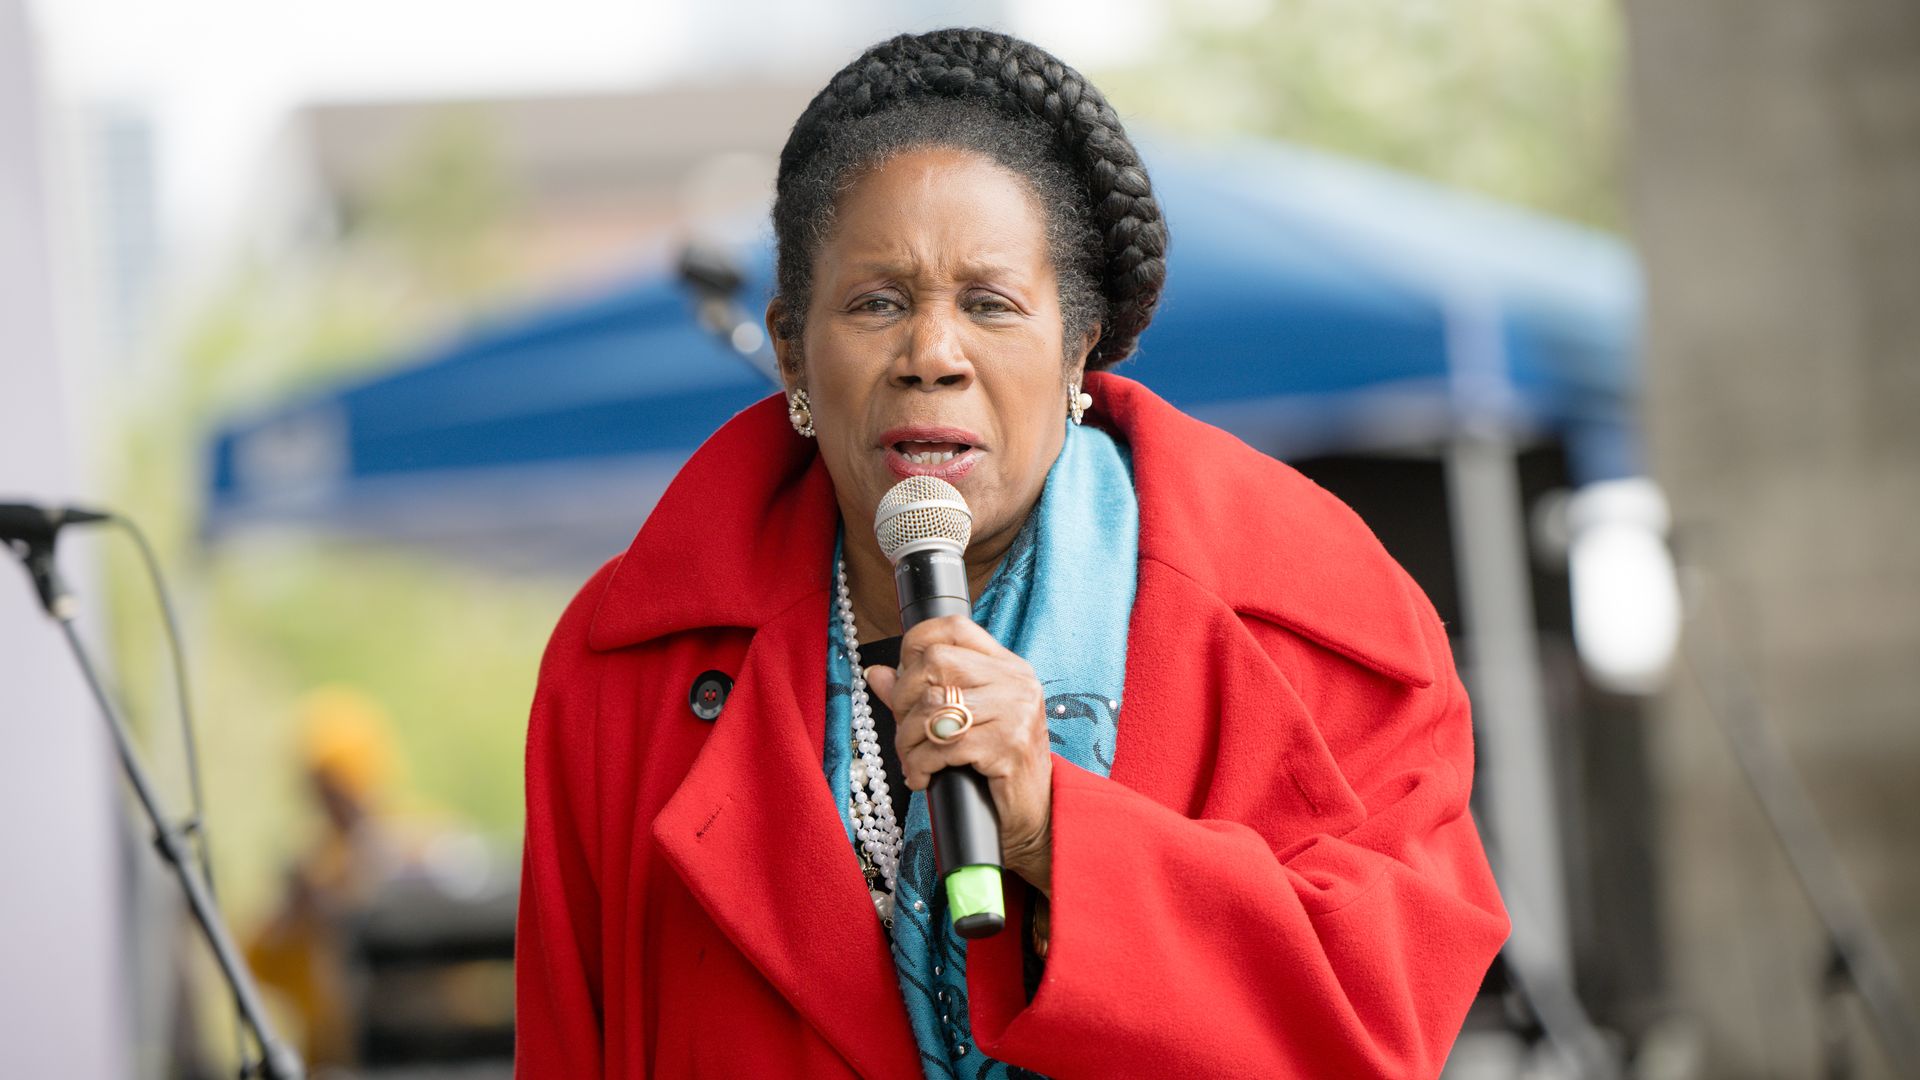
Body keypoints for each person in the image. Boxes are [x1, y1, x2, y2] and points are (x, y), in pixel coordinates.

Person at [515, 27, 1509, 1079]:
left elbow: (1374, 1027)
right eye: (877, 303)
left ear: (1079, 346)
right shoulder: (624, 669)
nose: (932, 355)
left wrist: (1052, 831)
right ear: (794, 348)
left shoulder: (1318, 623)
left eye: (990, 306)